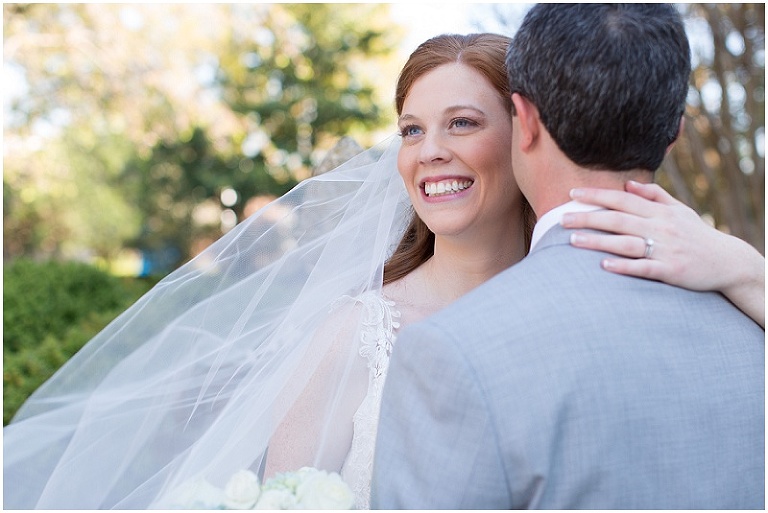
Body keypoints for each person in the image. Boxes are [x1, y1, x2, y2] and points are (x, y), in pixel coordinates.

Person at [3, 31, 763, 510]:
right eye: (410, 129)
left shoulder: (666, 294)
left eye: (462, 122)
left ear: (528, 128)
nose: (429, 150)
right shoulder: (352, 332)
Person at [371, 6, 764, 510]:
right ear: (674, 135)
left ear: (524, 123)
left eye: (464, 123)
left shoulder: (449, 350)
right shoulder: (750, 326)